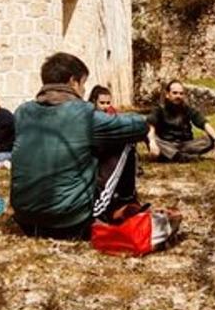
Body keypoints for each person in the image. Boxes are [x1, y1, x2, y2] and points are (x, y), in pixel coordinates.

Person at [11, 53, 150, 238]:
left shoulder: (22, 112)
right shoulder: (83, 113)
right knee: (124, 139)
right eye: (83, 84)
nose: (84, 90)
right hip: (70, 221)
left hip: (25, 219)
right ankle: (123, 203)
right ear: (73, 82)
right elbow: (139, 126)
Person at [146, 80, 215, 161]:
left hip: (185, 145)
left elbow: (204, 123)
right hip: (166, 143)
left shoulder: (187, 109)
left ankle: (173, 155)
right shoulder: (159, 109)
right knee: (149, 137)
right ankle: (180, 156)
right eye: (175, 93)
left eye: (181, 93)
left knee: (212, 137)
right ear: (167, 95)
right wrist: (152, 142)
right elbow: (151, 126)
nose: (178, 96)